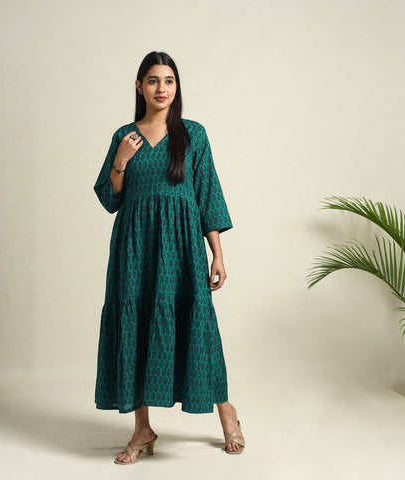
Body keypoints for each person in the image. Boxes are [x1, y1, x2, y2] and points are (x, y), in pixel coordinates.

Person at [93, 51, 245, 465]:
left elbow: (207, 195)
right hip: (135, 247)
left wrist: (217, 254)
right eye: (153, 81)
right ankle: (142, 429)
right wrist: (121, 161)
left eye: (169, 81)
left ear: (176, 87)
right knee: (136, 324)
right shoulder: (124, 136)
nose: (161, 89)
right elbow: (110, 199)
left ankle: (225, 410)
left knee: (198, 325)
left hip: (182, 247)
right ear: (139, 86)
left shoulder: (192, 134)